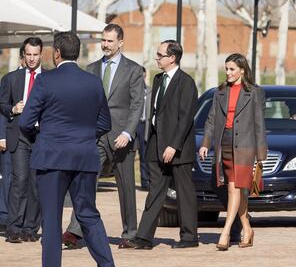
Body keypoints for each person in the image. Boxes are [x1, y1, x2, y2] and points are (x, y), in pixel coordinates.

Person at [19, 31, 114, 267]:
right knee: (88, 215)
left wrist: (43, 138)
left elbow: (25, 122)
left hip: (51, 158)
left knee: (51, 221)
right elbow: (105, 123)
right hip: (85, 157)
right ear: (78, 53)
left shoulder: (45, 80)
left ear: (57, 53)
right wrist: (84, 137)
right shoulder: (93, 82)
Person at [63, 24, 144, 248]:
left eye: (110, 41)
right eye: (104, 40)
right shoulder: (90, 69)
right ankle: (74, 231)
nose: (105, 45)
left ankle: (129, 234)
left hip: (122, 138)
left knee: (126, 187)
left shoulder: (134, 70)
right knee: (85, 182)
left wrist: (128, 132)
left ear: (121, 42)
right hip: (95, 137)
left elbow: (137, 105)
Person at [126, 40, 199, 249]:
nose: (156, 58)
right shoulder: (158, 79)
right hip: (156, 144)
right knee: (155, 192)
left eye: (160, 55)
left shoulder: (186, 83)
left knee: (184, 193)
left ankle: (189, 237)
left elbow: (185, 118)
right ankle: (144, 237)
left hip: (178, 149)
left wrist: (173, 146)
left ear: (172, 58)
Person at [199, 53, 267, 250]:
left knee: (233, 188)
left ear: (242, 70)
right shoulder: (219, 92)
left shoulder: (254, 92)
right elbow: (211, 120)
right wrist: (205, 143)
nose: (228, 73)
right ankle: (247, 228)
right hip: (224, 145)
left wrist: (261, 155)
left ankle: (226, 232)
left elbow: (259, 124)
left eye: (232, 69)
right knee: (238, 191)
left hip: (246, 147)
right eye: (226, 69)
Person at [0, 37, 43, 243]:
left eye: (35, 54)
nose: (32, 58)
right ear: (23, 55)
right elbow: (1, 104)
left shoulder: (50, 78)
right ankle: (14, 228)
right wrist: (12, 109)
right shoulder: (11, 79)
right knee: (19, 181)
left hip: (42, 138)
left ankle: (30, 228)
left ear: (41, 54)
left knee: (36, 184)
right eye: (28, 54)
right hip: (19, 136)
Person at [137, 67, 151, 191]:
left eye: (142, 75)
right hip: (133, 125)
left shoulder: (149, 91)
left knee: (144, 154)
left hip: (144, 125)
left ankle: (145, 181)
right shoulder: (133, 91)